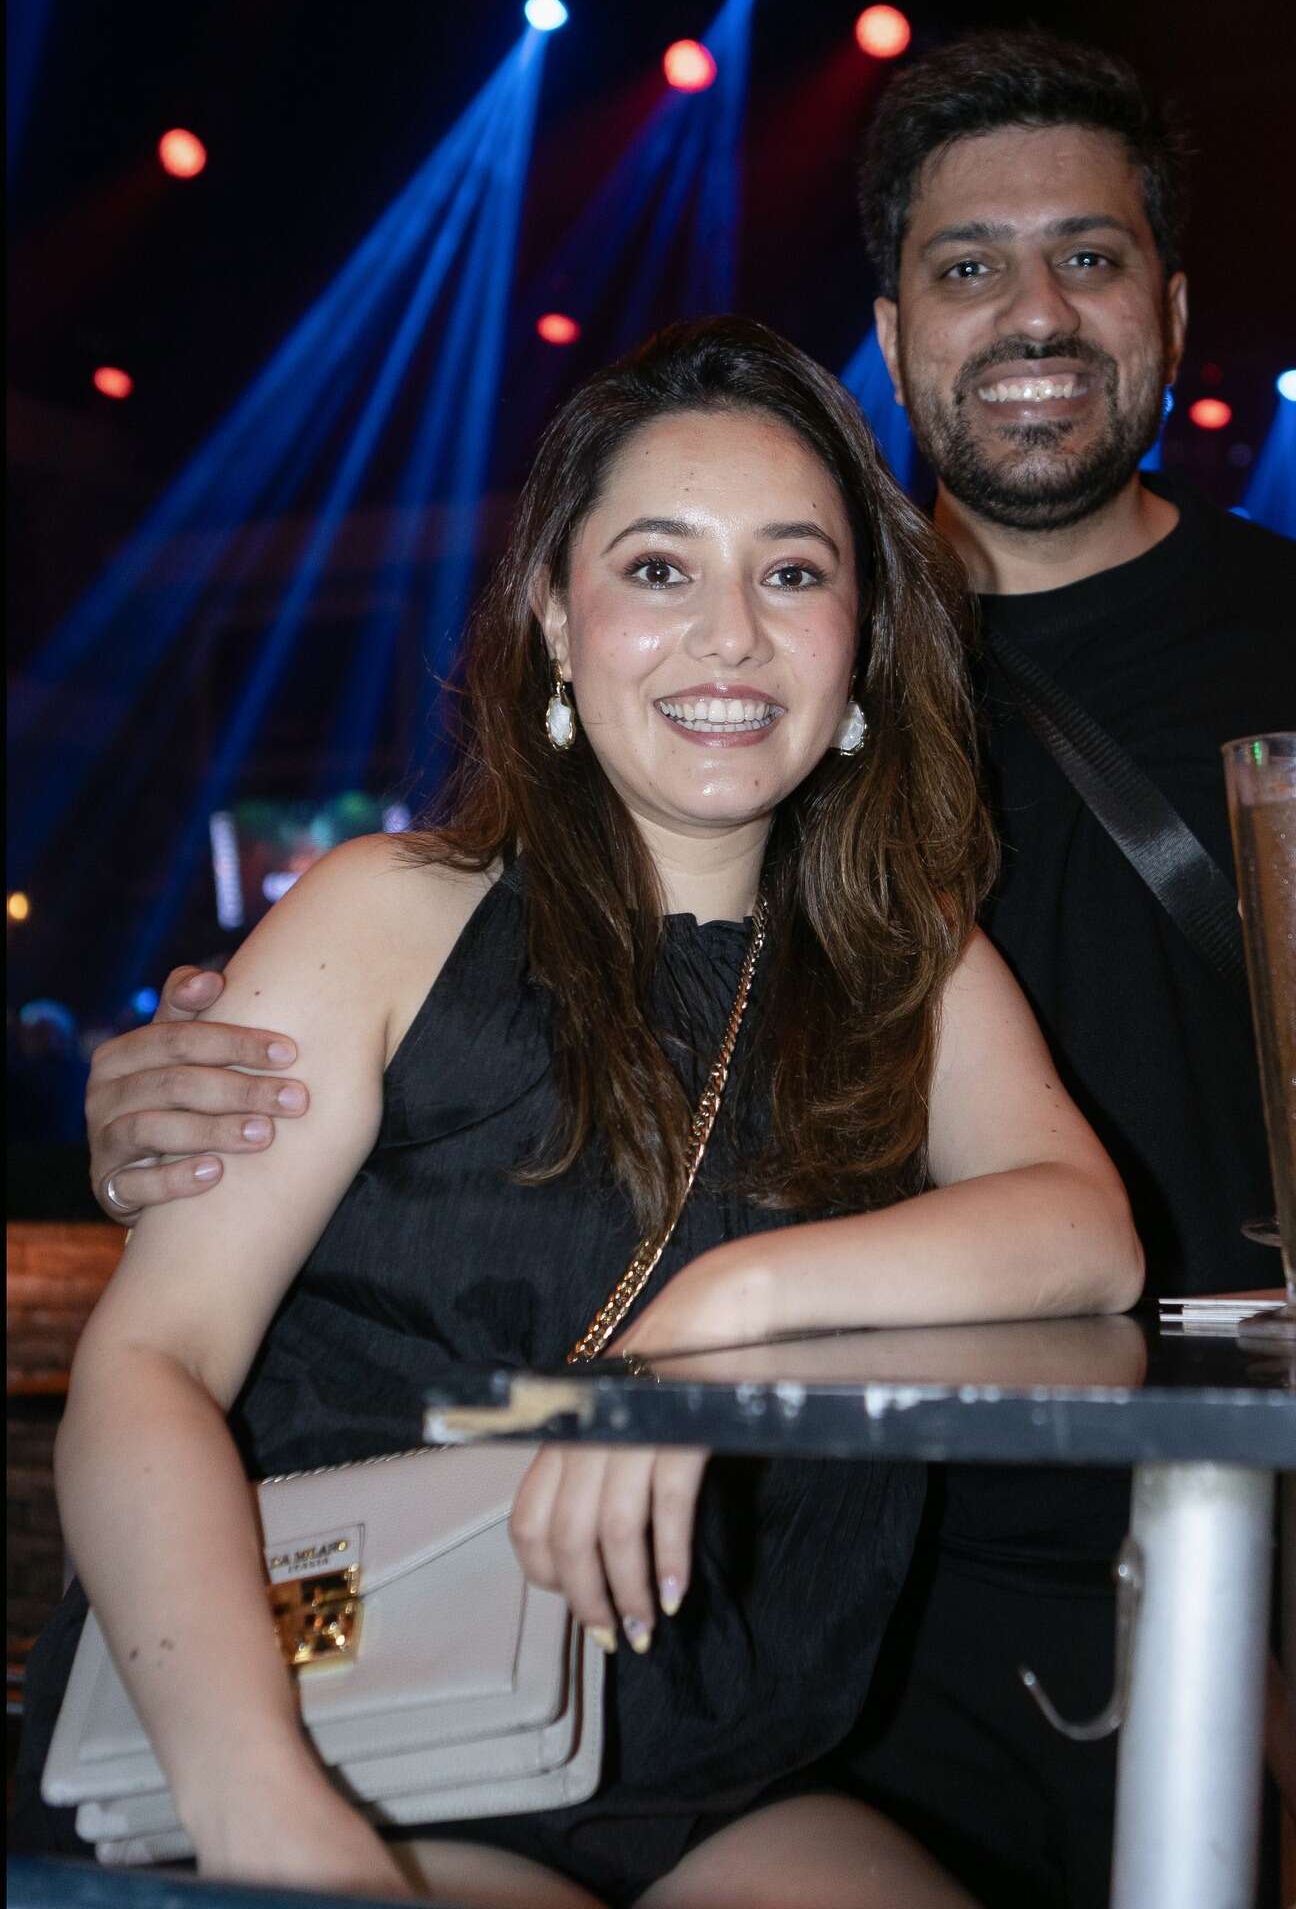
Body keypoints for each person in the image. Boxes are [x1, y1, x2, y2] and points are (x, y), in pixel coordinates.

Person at [79, 36, 1296, 1904]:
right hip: (674, 1645)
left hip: (1107, 1571)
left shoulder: (1067, 815)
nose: (1031, 309)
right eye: (967, 263)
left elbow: (1174, 1210)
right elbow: (166, 1342)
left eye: (1088, 255)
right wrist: (180, 1089)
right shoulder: (426, 903)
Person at [16, 317, 1144, 1909]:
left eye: (793, 572)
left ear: (864, 638)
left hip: (711, 1757)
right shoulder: (390, 914)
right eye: (658, 569)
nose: (729, 637)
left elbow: (1084, 1233)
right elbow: (150, 1365)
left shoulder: (913, 961)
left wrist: (712, 1313)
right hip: (346, 1724)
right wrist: (258, 1794)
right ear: (556, 615)